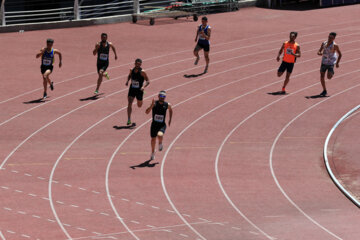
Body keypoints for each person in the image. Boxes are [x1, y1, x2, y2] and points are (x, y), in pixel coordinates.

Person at [145, 91, 173, 160]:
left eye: (163, 96)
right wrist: (151, 106)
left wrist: (170, 119)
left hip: (162, 125)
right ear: (158, 96)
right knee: (153, 140)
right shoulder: (154, 104)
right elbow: (146, 112)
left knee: (160, 135)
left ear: (165, 97)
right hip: (154, 125)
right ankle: (152, 152)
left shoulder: (167, 105)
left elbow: (171, 110)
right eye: (161, 96)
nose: (162, 97)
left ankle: (160, 143)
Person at [126, 58, 150, 125]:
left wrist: (143, 87)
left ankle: (140, 100)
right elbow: (129, 75)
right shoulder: (131, 70)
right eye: (136, 64)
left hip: (139, 90)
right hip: (132, 89)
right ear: (135, 63)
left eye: (139, 64)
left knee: (139, 105)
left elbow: (148, 81)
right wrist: (127, 81)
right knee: (129, 102)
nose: (137, 65)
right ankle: (129, 119)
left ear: (140, 64)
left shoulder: (143, 72)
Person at [317, 32, 342, 96]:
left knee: (329, 77)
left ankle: (332, 72)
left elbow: (340, 54)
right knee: (322, 76)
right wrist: (319, 53)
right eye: (329, 37)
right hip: (324, 61)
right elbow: (319, 51)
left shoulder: (335, 45)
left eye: (331, 38)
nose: (329, 38)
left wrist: (337, 63)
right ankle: (324, 90)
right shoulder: (324, 43)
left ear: (334, 38)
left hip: (331, 62)